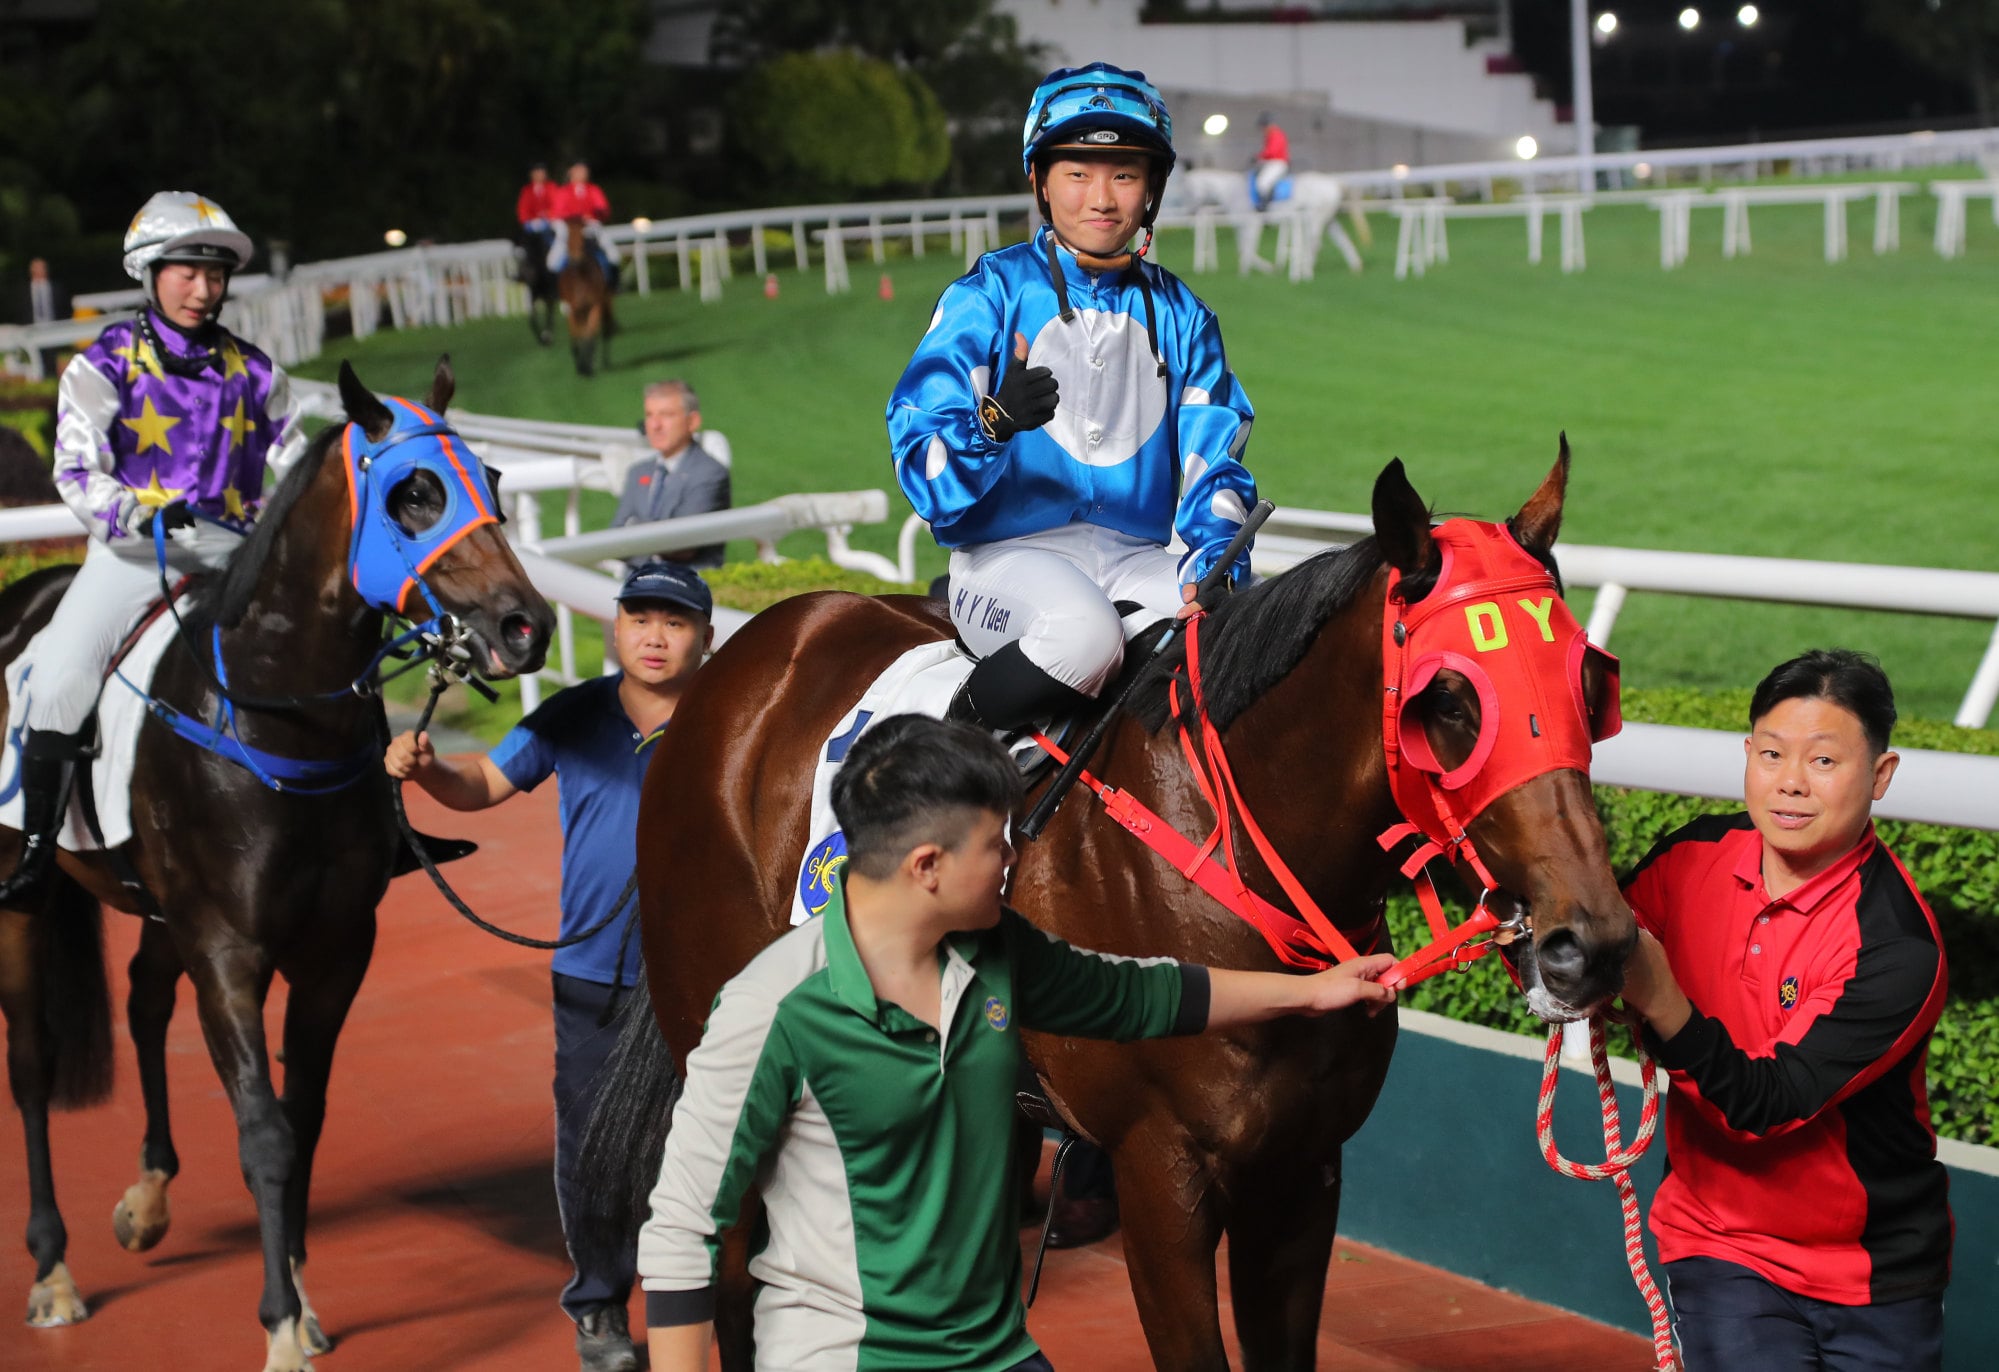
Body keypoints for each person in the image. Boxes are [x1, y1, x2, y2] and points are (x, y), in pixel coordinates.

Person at [637, 714, 1397, 1372]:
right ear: (925, 867)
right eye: (996, 844)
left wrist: (1314, 989)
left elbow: (1146, 993)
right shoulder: (770, 1008)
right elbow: (681, 1227)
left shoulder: (997, 951)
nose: (1016, 857)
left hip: (991, 1352)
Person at [385, 560, 715, 1372]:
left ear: (704, 639)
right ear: (615, 627)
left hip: (701, 979)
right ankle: (599, 1303)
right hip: (593, 975)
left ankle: (710, 1296)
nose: (653, 636)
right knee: (595, 1145)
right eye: (639, 617)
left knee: (705, 1145)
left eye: (673, 622)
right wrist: (427, 770)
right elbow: (482, 785)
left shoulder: (729, 716)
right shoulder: (572, 714)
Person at [887, 63, 1257, 734]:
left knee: (1240, 637)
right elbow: (923, 475)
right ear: (1039, 181)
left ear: (1151, 189)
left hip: (1135, 559)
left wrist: (1218, 563)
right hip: (1002, 560)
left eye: (1124, 174)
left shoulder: (1184, 316)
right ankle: (938, 750)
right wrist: (991, 425)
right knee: (1083, 637)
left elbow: (1216, 463)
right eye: (1078, 173)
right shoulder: (985, 297)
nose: (1102, 198)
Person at [1616, 649, 1951, 1371]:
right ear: (1746, 755)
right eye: (1771, 754)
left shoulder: (1894, 947)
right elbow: (1589, 944)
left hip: (1873, 1273)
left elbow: (1765, 1105)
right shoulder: (1690, 858)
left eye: (1824, 762)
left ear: (1880, 776)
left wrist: (1658, 996)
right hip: (1719, 1244)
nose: (1790, 783)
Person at [0, 191, 303, 907]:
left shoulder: (258, 373)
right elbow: (75, 470)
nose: (203, 289)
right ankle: (38, 847)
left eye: (214, 274)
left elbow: (292, 469)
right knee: (61, 676)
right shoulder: (101, 365)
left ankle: (375, 821)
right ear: (149, 270)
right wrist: (138, 517)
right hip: (134, 556)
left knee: (331, 643)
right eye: (186, 272)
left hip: (235, 556)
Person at [611, 380, 731, 571]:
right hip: (635, 586)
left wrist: (634, 529)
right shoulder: (639, 472)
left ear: (692, 421)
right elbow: (615, 537)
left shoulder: (710, 473)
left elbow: (681, 545)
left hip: (684, 589)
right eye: (650, 415)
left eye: (666, 415)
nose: (655, 425)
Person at [547, 160, 618, 291]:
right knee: (554, 258)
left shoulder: (593, 190)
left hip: (590, 226)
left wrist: (596, 214)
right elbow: (558, 212)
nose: (582, 173)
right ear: (571, 173)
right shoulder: (563, 192)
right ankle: (557, 287)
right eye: (578, 170)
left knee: (612, 253)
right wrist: (578, 218)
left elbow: (603, 208)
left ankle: (610, 283)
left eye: (584, 170)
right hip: (570, 228)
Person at [516, 162, 559, 280]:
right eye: (536, 172)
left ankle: (557, 267)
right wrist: (529, 221)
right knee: (523, 245)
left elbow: (556, 206)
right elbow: (523, 210)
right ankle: (522, 269)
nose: (539, 175)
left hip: (549, 223)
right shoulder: (527, 191)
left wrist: (547, 218)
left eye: (541, 172)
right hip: (532, 225)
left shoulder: (551, 187)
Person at [1251, 111, 1290, 211]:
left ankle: (1264, 207)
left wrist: (1258, 156)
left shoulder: (1276, 134)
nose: (1262, 130)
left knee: (1262, 183)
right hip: (1271, 162)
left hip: (1277, 163)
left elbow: (1272, 151)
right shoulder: (1270, 135)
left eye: (1262, 127)